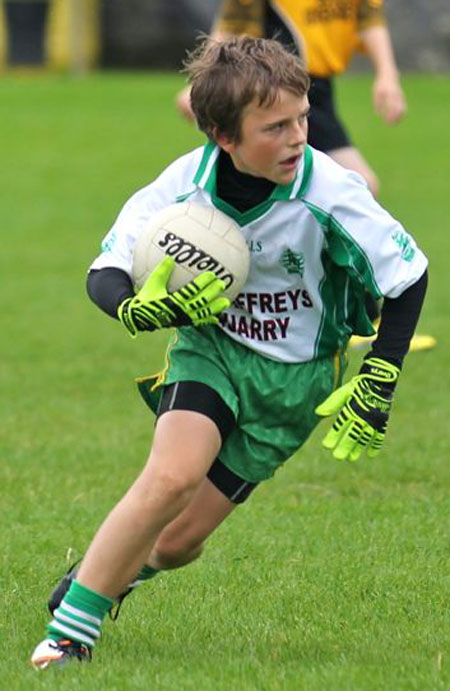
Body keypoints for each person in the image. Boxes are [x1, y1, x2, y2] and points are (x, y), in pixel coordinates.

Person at [31, 36, 428, 669]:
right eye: (275, 127)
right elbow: (105, 268)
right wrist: (129, 307)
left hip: (295, 383)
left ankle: (117, 570)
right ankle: (70, 634)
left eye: (302, 117)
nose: (299, 136)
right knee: (171, 477)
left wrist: (381, 375)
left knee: (180, 543)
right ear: (222, 134)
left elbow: (408, 277)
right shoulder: (182, 188)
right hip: (212, 350)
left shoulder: (329, 190)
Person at [176, 0, 436, 352]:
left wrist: (387, 75)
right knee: (356, 184)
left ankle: (345, 314)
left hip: (314, 89)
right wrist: (203, 84)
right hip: (274, 91)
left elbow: (368, 18)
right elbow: (236, 20)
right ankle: (357, 318)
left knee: (337, 192)